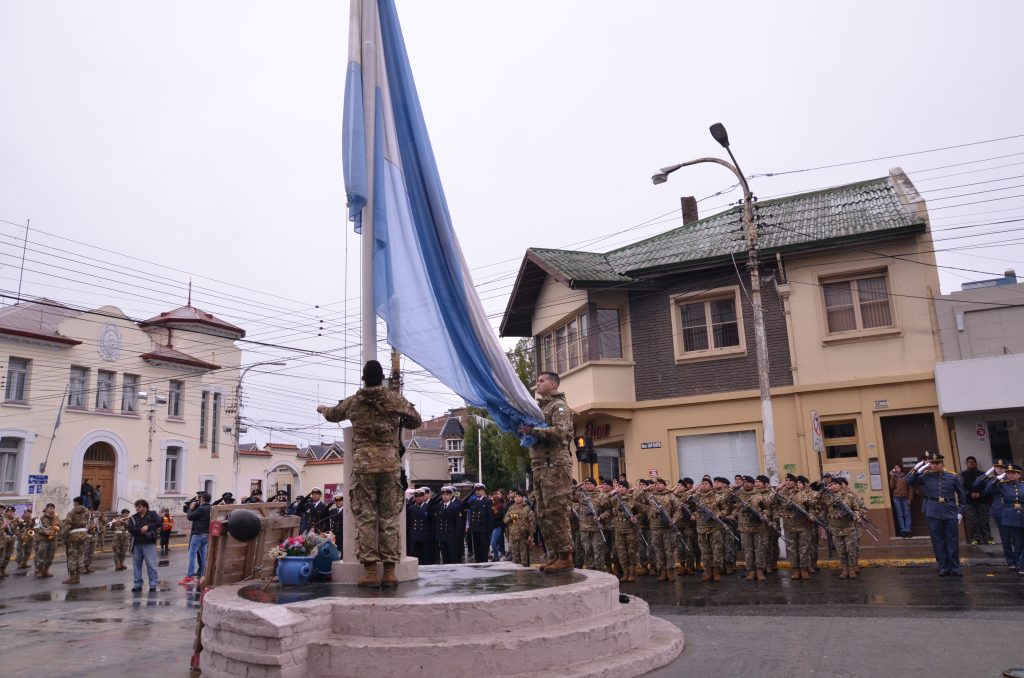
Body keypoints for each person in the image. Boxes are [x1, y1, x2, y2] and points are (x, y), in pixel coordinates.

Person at [317, 359, 422, 588]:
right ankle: (391, 572)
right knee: (388, 518)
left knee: (366, 519)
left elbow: (333, 414)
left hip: (364, 468)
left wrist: (322, 408)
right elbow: (416, 420)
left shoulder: (354, 402)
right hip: (389, 466)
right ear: (381, 378)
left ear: (363, 379)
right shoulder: (394, 399)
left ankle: (370, 572)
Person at [517, 371, 575, 574]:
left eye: (542, 381)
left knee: (557, 512)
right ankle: (554, 556)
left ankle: (566, 556)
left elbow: (560, 432)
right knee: (543, 513)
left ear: (553, 384)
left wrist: (533, 430)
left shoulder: (558, 407)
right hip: (541, 467)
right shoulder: (539, 408)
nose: (537, 384)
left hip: (555, 468)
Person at [907, 452, 965, 577]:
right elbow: (909, 480)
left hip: (950, 511)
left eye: (937, 463)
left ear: (942, 464)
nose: (934, 465)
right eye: (932, 463)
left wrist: (959, 512)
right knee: (938, 541)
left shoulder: (952, 477)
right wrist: (920, 466)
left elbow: (962, 496)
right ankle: (943, 566)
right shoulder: (925, 476)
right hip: (933, 511)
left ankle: (955, 567)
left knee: (952, 540)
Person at [978, 463, 1024, 575]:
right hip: (1011, 516)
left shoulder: (1023, 485)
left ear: (1019, 475)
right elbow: (987, 489)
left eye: (1013, 473)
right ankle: (1020, 564)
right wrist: (997, 478)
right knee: (1018, 542)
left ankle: (1021, 564)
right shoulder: (1002, 485)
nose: (1010, 475)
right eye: (1008, 473)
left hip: (1022, 514)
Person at [822, 477, 867, 579]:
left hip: (848, 528)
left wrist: (855, 514)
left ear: (840, 485)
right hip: (835, 528)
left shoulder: (849, 496)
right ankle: (844, 569)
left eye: (835, 484)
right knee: (840, 550)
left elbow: (858, 508)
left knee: (851, 550)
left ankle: (851, 569)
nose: (832, 486)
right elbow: (821, 506)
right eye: (831, 484)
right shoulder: (828, 497)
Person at [126, 499, 160, 592]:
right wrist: (140, 529)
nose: (137, 508)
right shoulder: (133, 517)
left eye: (139, 506)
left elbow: (158, 523)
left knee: (151, 565)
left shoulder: (152, 514)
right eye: (136, 506)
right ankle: (137, 584)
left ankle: (153, 584)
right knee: (136, 565)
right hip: (137, 544)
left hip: (149, 543)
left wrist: (148, 527)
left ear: (145, 507)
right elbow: (131, 529)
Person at [180, 491, 211, 585]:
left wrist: (191, 508)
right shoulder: (211, 507)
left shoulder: (201, 509)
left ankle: (189, 576)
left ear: (202, 499)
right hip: (207, 534)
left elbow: (190, 517)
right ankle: (203, 575)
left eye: (200, 498)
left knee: (192, 554)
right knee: (203, 555)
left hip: (198, 534)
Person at [960, 456, 992, 545]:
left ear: (976, 463)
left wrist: (980, 494)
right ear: (966, 464)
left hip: (982, 500)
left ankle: (988, 537)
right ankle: (975, 538)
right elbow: (961, 488)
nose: (971, 463)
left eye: (973, 461)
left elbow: (988, 487)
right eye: (969, 462)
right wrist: (970, 494)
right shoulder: (962, 474)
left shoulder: (983, 474)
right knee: (972, 520)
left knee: (984, 519)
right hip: (969, 501)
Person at [429, 486, 465, 564]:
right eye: (443, 494)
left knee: (452, 557)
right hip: (442, 535)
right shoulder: (439, 506)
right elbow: (430, 507)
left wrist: (457, 536)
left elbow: (458, 523)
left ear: (450, 495)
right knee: (445, 557)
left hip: (451, 535)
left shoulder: (455, 507)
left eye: (447, 494)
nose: (445, 496)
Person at [61, 497, 90, 585]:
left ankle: (72, 577)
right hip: (83, 535)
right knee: (80, 556)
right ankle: (78, 577)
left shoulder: (72, 513)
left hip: (73, 536)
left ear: (76, 503)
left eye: (74, 503)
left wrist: (64, 538)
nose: (73, 504)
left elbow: (67, 526)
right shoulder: (87, 512)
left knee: (72, 557)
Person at [504, 490, 535, 567]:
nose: (517, 498)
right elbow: (505, 520)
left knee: (524, 557)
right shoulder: (511, 508)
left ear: (522, 498)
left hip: (523, 535)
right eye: (515, 497)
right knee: (515, 557)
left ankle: (525, 576)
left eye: (519, 497)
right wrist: (511, 518)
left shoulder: (527, 508)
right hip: (513, 535)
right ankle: (517, 575)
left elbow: (532, 522)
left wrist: (531, 535)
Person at [464, 483, 493, 564]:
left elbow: (490, 517)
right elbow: (463, 505)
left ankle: (485, 567)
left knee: (483, 551)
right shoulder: (473, 501)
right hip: (475, 529)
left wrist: (489, 531)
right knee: (477, 551)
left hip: (484, 530)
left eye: (479, 490)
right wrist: (470, 493)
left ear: (483, 491)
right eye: (476, 490)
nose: (478, 492)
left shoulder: (488, 501)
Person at [407, 489, 434, 565]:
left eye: (420, 496)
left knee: (425, 555)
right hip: (415, 535)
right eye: (416, 496)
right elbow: (409, 522)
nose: (418, 498)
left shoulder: (428, 507)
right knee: (416, 555)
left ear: (423, 497)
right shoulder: (411, 508)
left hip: (425, 535)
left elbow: (432, 522)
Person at [889, 463, 914, 538]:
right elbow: (891, 486)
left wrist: (910, 498)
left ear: (901, 468)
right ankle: (903, 530)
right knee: (900, 514)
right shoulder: (893, 477)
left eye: (898, 468)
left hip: (905, 497)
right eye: (895, 468)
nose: (897, 469)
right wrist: (892, 476)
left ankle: (908, 530)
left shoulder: (906, 477)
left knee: (907, 513)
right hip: (896, 497)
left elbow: (910, 488)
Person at [33, 503, 58, 578]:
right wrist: (45, 531)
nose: (52, 509)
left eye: (53, 508)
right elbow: (36, 528)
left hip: (53, 539)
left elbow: (60, 526)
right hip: (43, 539)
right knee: (41, 555)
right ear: (46, 509)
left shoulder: (56, 517)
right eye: (50, 508)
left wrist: (57, 525)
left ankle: (46, 571)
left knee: (50, 556)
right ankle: (39, 571)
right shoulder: (40, 518)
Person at [489, 490, 507, 562]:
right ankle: (496, 556)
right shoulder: (491, 507)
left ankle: (497, 557)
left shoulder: (500, 506)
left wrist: (493, 511)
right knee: (494, 543)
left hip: (497, 527)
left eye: (492, 500)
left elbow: (499, 516)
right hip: (491, 527)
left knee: (493, 542)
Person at [0, 506, 14, 577]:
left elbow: (12, 529)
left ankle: (2, 570)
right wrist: (2, 527)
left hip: (6, 540)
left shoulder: (5, 519)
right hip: (1, 541)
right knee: (1, 556)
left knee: (6, 556)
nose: (1, 511)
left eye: (2, 510)